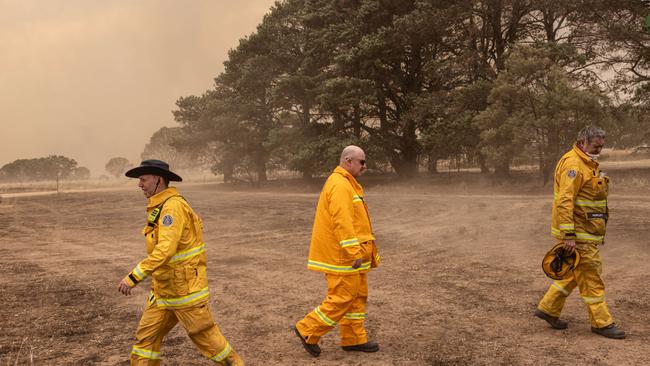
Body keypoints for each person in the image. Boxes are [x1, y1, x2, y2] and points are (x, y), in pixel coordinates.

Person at [117, 160, 244, 365]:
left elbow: (165, 251)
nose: (139, 184)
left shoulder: (172, 208)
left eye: (143, 180)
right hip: (163, 292)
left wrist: (134, 277)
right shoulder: (159, 206)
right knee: (145, 341)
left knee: (208, 341)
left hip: (185, 292)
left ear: (159, 180)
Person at [534, 126, 625, 339]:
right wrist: (569, 235)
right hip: (578, 234)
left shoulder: (587, 162)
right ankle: (602, 323)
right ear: (582, 142)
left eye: (601, 146)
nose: (599, 150)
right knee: (592, 276)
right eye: (595, 146)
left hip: (585, 232)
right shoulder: (573, 164)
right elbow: (564, 200)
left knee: (577, 271)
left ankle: (548, 308)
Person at [294, 145, 381, 357]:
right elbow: (342, 221)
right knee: (343, 297)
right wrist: (353, 251)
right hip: (344, 257)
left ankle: (353, 339)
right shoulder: (340, 185)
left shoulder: (348, 184)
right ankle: (307, 329)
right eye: (362, 162)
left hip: (354, 255)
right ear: (348, 161)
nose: (365, 166)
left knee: (357, 297)